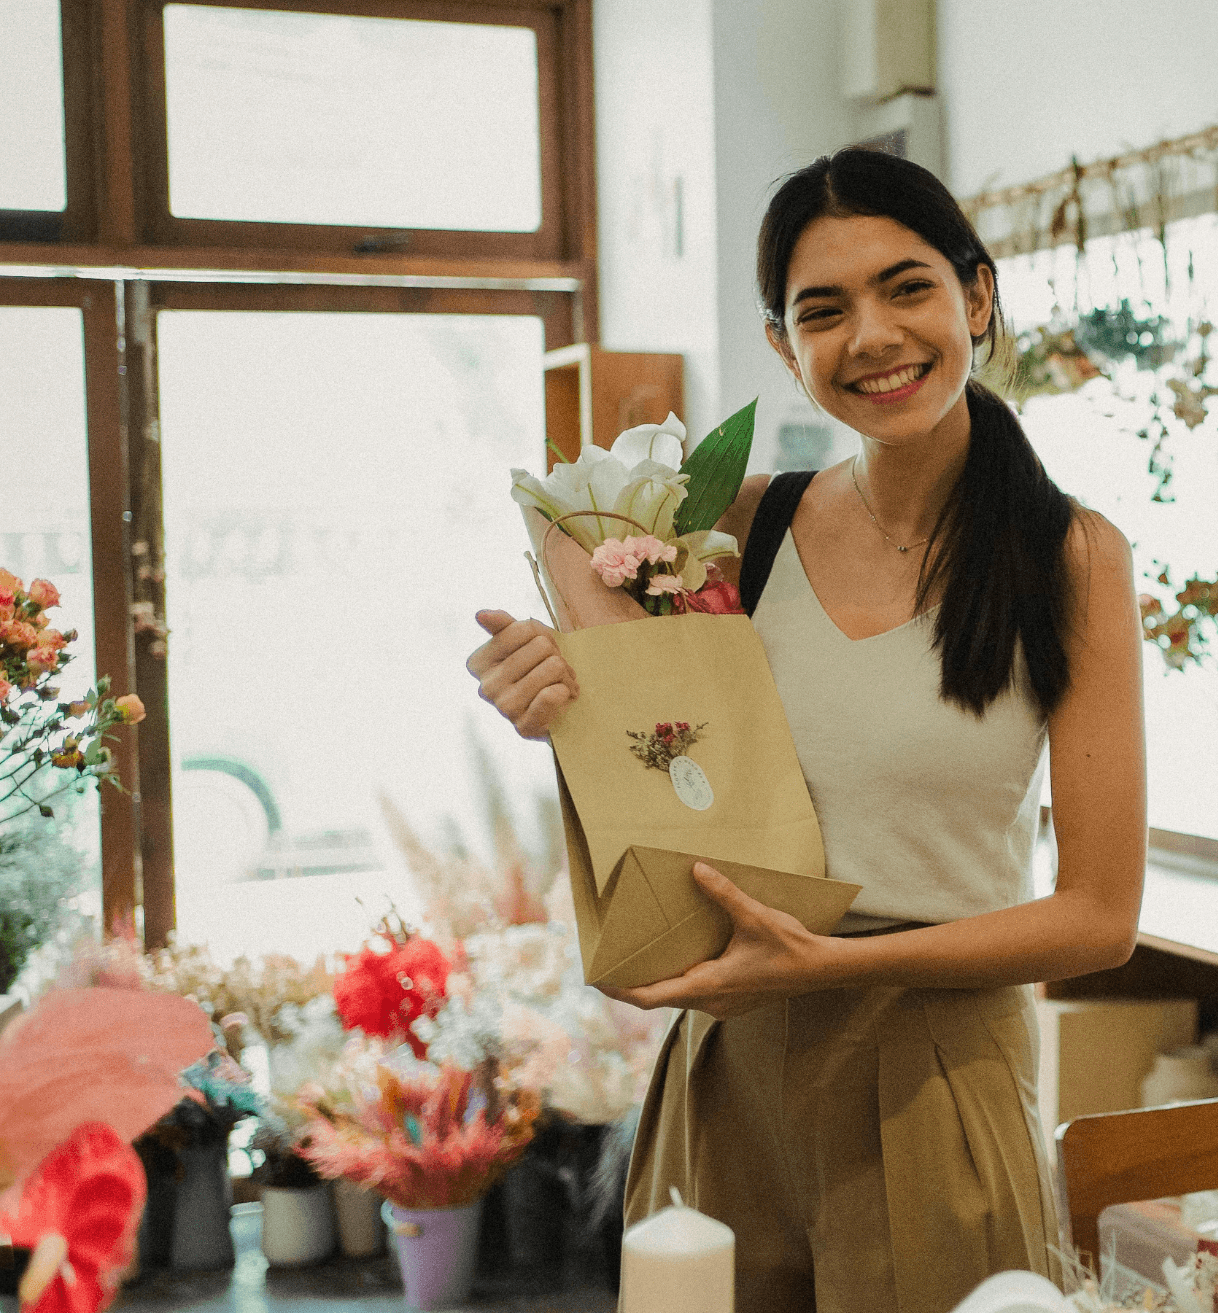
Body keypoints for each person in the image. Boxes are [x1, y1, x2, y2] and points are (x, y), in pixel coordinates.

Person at [465, 148, 1147, 1313]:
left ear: (975, 297)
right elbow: (667, 761)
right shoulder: (735, 528)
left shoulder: (1070, 557)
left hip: (935, 1072)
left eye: (908, 286)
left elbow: (1099, 915)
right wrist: (551, 701)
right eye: (823, 310)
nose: (872, 335)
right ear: (785, 347)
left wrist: (836, 962)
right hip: (730, 1068)